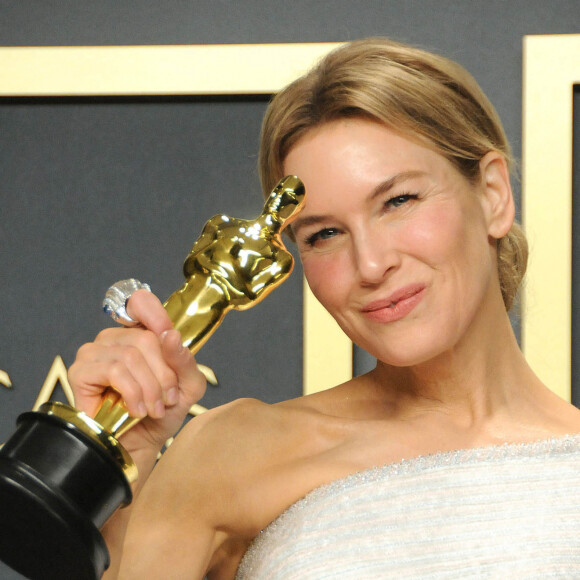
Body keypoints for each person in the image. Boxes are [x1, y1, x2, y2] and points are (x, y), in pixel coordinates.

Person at [68, 37, 580, 579]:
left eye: (398, 201)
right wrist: (118, 458)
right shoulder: (235, 453)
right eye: (326, 234)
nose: (371, 264)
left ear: (493, 195)